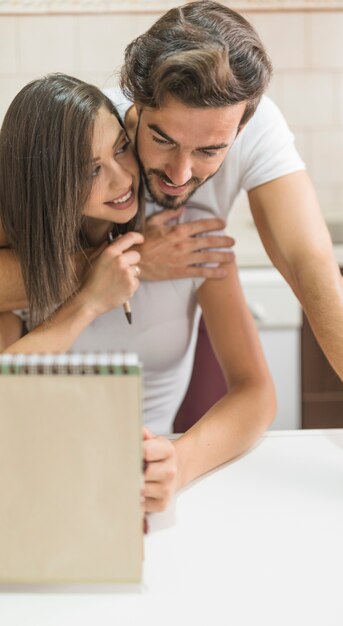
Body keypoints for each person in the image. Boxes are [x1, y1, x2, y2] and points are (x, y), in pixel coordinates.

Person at [0, 2, 343, 524]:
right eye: (159, 140)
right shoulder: (81, 134)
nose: (177, 174)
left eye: (210, 152)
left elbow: (314, 275)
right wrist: (106, 276)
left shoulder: (195, 228)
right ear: (134, 104)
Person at [0, 73, 276, 514]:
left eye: (120, 149)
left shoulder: (187, 235)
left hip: (146, 475)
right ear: (47, 183)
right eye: (90, 170)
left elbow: (257, 393)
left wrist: (179, 464)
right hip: (44, 477)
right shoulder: (22, 256)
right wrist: (89, 300)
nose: (122, 178)